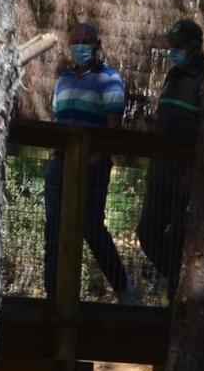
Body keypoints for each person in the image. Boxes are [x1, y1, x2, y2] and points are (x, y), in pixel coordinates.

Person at [42, 21, 136, 303]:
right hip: (59, 165)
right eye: (76, 42)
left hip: (92, 166)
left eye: (86, 41)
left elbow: (113, 125)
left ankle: (124, 291)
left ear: (97, 45)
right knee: (54, 229)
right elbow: (59, 119)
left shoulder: (109, 79)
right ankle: (53, 295)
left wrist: (96, 158)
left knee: (91, 227)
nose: (80, 46)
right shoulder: (63, 80)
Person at [136, 18, 204, 296]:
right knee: (148, 233)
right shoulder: (172, 75)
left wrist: (193, 172)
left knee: (179, 238)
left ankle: (181, 300)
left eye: (178, 45)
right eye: (171, 45)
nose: (172, 50)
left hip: (186, 176)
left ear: (193, 47)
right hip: (161, 172)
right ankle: (180, 288)